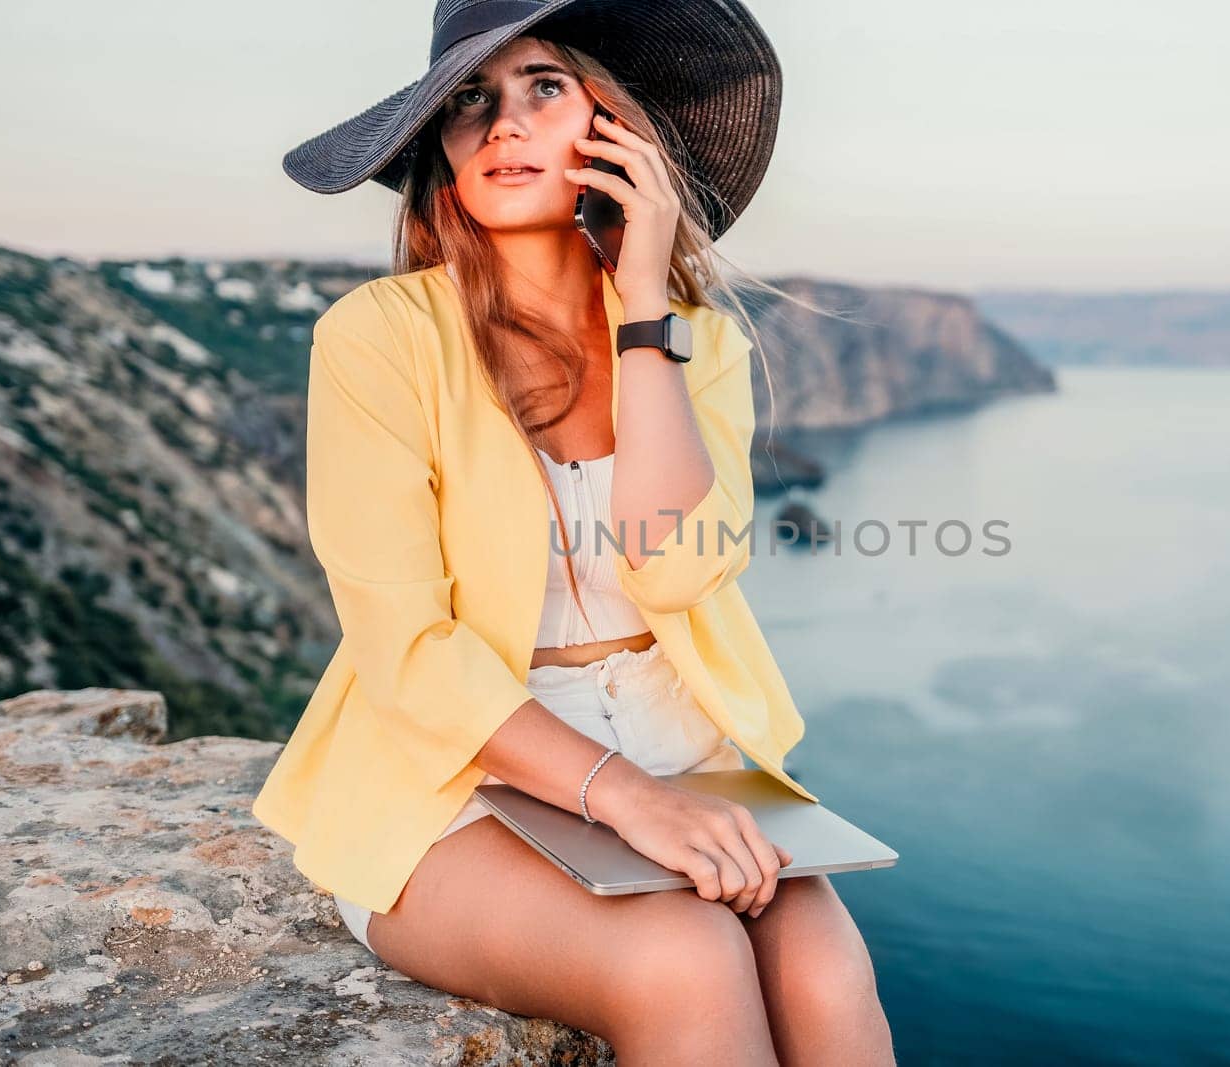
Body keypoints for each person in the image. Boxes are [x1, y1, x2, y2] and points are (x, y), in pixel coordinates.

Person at [249, 1, 895, 1062]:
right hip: (457, 777)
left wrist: (644, 309)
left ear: (613, 127)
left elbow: (674, 566)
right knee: (684, 959)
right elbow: (408, 648)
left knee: (827, 977)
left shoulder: (700, 349)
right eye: (467, 101)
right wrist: (625, 798)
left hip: (680, 742)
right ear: (441, 156)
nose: (501, 123)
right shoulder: (379, 339)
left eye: (541, 86)